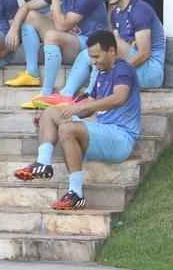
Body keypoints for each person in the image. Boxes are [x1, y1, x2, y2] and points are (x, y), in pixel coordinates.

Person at [14, 30, 141, 210]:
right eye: (91, 57)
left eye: (97, 56)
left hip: (121, 138)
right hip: (102, 132)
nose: (94, 62)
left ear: (112, 51)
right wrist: (66, 111)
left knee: (68, 129)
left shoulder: (122, 69)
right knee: (50, 113)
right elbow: (88, 106)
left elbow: (119, 97)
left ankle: (76, 194)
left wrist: (80, 108)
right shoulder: (101, 72)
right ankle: (43, 164)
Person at [43, 0, 165, 106]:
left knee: (108, 44)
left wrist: (115, 71)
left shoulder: (140, 10)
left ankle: (90, 95)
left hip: (150, 72)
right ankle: (66, 95)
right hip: (131, 65)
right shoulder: (115, 12)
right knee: (87, 54)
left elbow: (144, 53)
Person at [4, 0, 108, 109]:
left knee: (52, 35)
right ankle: (32, 73)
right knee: (31, 16)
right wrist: (13, 29)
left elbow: (60, 26)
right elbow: (26, 6)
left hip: (88, 46)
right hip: (70, 39)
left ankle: (46, 93)